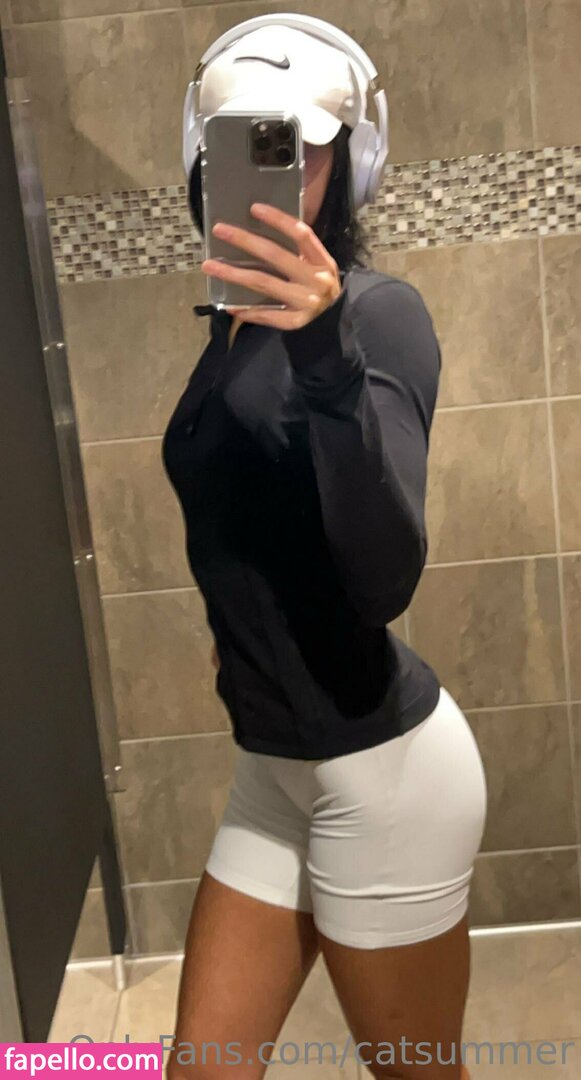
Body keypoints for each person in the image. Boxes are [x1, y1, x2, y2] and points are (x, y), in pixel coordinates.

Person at [163, 17, 488, 1080]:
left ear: (350, 161)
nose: (281, 171)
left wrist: (323, 352)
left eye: (304, 147)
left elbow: (383, 577)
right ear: (201, 153)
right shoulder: (230, 322)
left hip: (380, 775)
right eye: (247, 143)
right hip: (273, 766)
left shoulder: (375, 318)